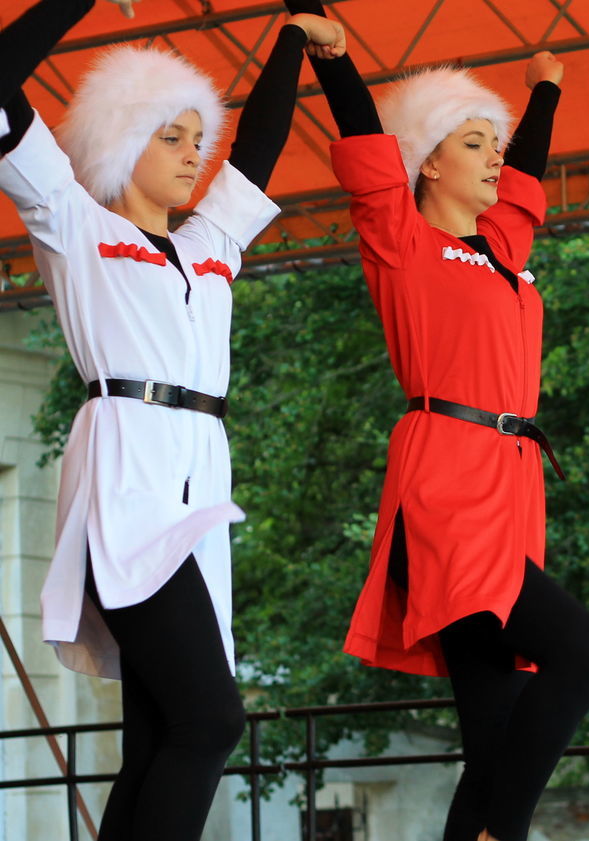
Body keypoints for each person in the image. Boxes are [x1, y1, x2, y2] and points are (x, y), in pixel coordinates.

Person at [0, 1, 344, 838]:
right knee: (211, 720)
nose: (197, 153)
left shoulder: (209, 244)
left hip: (198, 494)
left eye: (199, 138)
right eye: (173, 136)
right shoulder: (71, 220)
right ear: (124, 142)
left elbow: (257, 150)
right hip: (125, 485)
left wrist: (293, 34)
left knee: (159, 736)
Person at [285, 2, 589, 838]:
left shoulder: (502, 249)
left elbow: (527, 178)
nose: (496, 155)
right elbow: (366, 149)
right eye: (474, 142)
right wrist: (332, 58)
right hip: (446, 486)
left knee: (494, 734)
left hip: (509, 489)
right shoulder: (401, 238)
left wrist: (544, 93)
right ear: (426, 163)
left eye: (494, 143)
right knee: (581, 650)